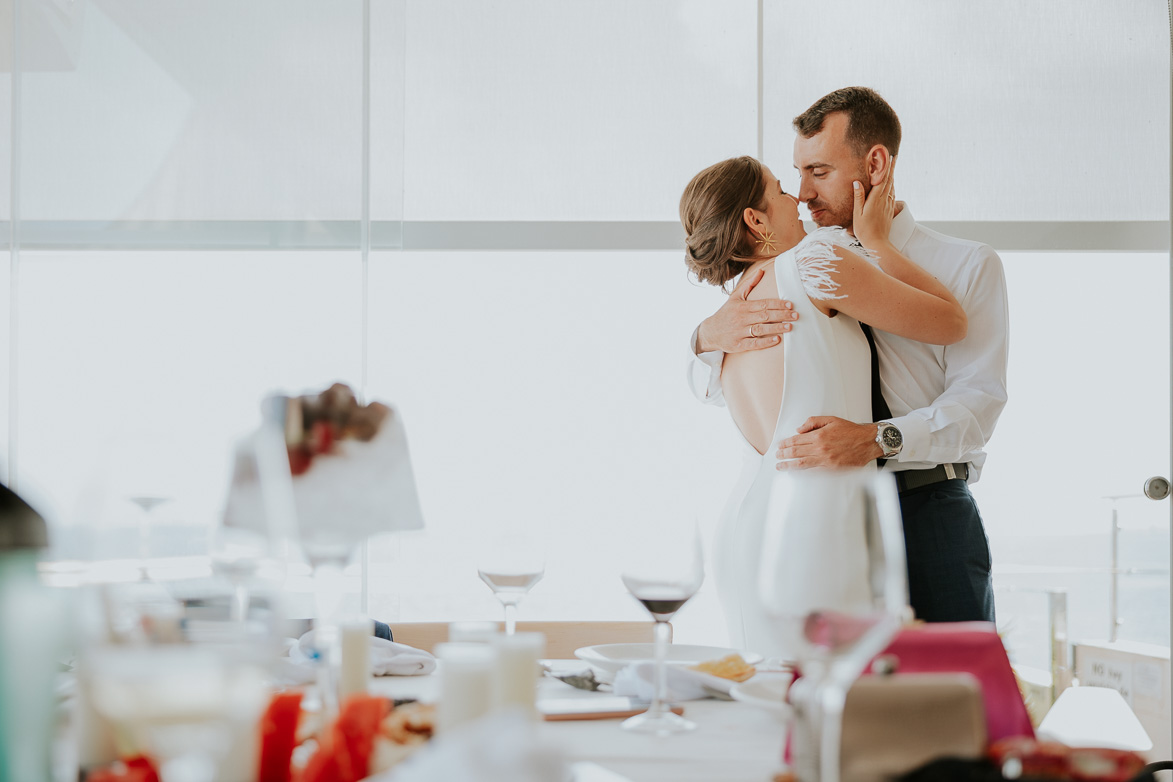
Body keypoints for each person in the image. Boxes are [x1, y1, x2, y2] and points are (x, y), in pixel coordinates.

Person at [690, 87, 1009, 627]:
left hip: (923, 507)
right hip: (824, 513)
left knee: (946, 695)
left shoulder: (968, 264)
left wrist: (875, 439)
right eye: (791, 176)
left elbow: (978, 405)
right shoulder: (798, 266)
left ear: (876, 163)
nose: (801, 192)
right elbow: (718, 387)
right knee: (843, 695)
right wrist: (703, 336)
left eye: (817, 170)